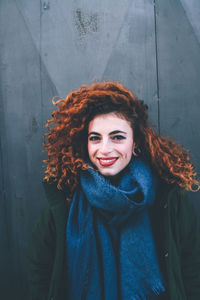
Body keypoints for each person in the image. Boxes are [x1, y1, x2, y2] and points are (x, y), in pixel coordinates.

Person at [28, 81, 200, 300]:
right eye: (95, 138)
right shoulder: (65, 199)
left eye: (117, 137)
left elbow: (192, 272)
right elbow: (40, 274)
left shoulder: (167, 197)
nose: (105, 149)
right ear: (86, 143)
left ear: (135, 142)